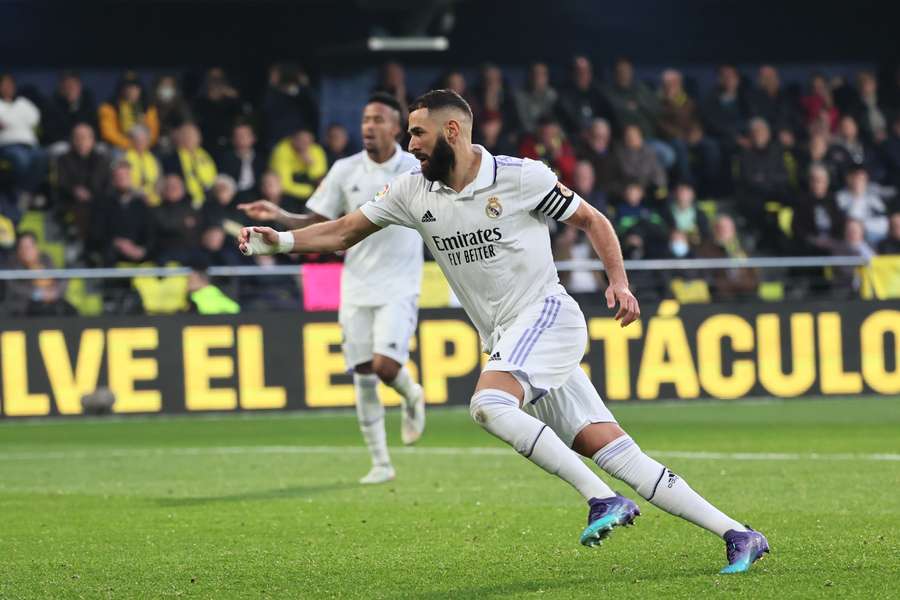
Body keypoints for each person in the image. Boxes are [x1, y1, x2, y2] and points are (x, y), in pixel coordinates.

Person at [238, 89, 769, 574]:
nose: (409, 143)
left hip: (547, 318)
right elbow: (343, 231)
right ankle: (739, 534)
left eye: (417, 133)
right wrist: (280, 244)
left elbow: (594, 221)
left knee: (488, 406)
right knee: (614, 451)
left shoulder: (521, 177)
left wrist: (618, 282)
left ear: (451, 131)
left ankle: (599, 499)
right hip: (510, 339)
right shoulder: (411, 192)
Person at [238, 93, 425, 484]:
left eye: (377, 119)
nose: (368, 126)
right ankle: (380, 463)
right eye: (364, 119)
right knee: (361, 372)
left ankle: (411, 395)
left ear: (395, 127)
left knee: (385, 367)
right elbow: (317, 221)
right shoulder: (344, 169)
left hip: (399, 284)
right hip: (355, 285)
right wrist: (278, 216)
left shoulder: (414, 167)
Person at [56, 123, 110, 242]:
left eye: (85, 137)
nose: (81, 141)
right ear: (72, 140)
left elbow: (103, 183)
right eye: (78, 137)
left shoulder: (101, 159)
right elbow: (62, 182)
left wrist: (91, 194)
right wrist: (75, 190)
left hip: (97, 201)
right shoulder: (63, 159)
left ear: (93, 140)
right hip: (70, 201)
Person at [268, 127, 328, 211]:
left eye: (308, 142)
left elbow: (319, 177)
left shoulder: (316, 149)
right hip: (288, 193)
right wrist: (309, 192)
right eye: (301, 141)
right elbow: (285, 185)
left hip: (308, 186)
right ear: (293, 140)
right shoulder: (282, 150)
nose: (305, 144)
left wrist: (310, 164)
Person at [98, 72, 160, 150]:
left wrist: (143, 144)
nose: (131, 91)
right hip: (119, 148)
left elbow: (153, 133)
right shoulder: (109, 107)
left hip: (144, 147)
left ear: (140, 89)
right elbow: (108, 133)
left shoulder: (148, 107)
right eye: (128, 88)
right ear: (121, 89)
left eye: (135, 88)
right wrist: (129, 144)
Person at [162, 122, 218, 208]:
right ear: (180, 138)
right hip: (185, 201)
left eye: (193, 135)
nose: (190, 138)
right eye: (186, 135)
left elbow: (213, 177)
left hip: (208, 198)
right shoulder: (172, 158)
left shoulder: (205, 155)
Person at [217, 121, 266, 203]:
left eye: (245, 135)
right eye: (238, 136)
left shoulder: (260, 159)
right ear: (232, 139)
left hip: (258, 196)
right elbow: (222, 178)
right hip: (233, 197)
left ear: (253, 138)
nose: (241, 139)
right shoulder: (226, 158)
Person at [124, 124, 162, 205]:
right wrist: (140, 195)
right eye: (137, 140)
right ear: (131, 140)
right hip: (132, 199)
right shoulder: (124, 157)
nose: (140, 143)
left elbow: (159, 180)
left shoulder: (153, 159)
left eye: (144, 140)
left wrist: (154, 194)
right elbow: (122, 182)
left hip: (152, 200)